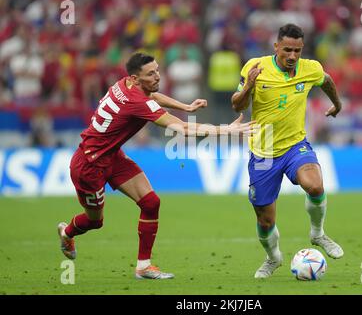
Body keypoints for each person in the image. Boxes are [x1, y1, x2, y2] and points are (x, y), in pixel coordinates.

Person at [57, 53, 255, 280]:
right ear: (135, 78)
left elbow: (153, 96)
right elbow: (183, 129)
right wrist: (226, 131)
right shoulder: (136, 101)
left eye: (157, 70)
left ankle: (143, 266)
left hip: (112, 157)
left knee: (151, 202)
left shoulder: (126, 85)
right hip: (89, 165)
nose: (157, 76)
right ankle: (67, 232)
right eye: (151, 74)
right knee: (95, 221)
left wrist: (186, 107)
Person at [231, 23, 344, 279]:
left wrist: (336, 104)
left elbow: (326, 80)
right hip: (263, 151)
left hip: (296, 145)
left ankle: (317, 233)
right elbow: (236, 105)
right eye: (287, 50)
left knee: (315, 186)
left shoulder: (309, 68)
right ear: (276, 47)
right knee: (265, 220)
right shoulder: (255, 67)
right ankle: (273, 258)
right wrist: (248, 85)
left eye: (297, 51)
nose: (292, 56)